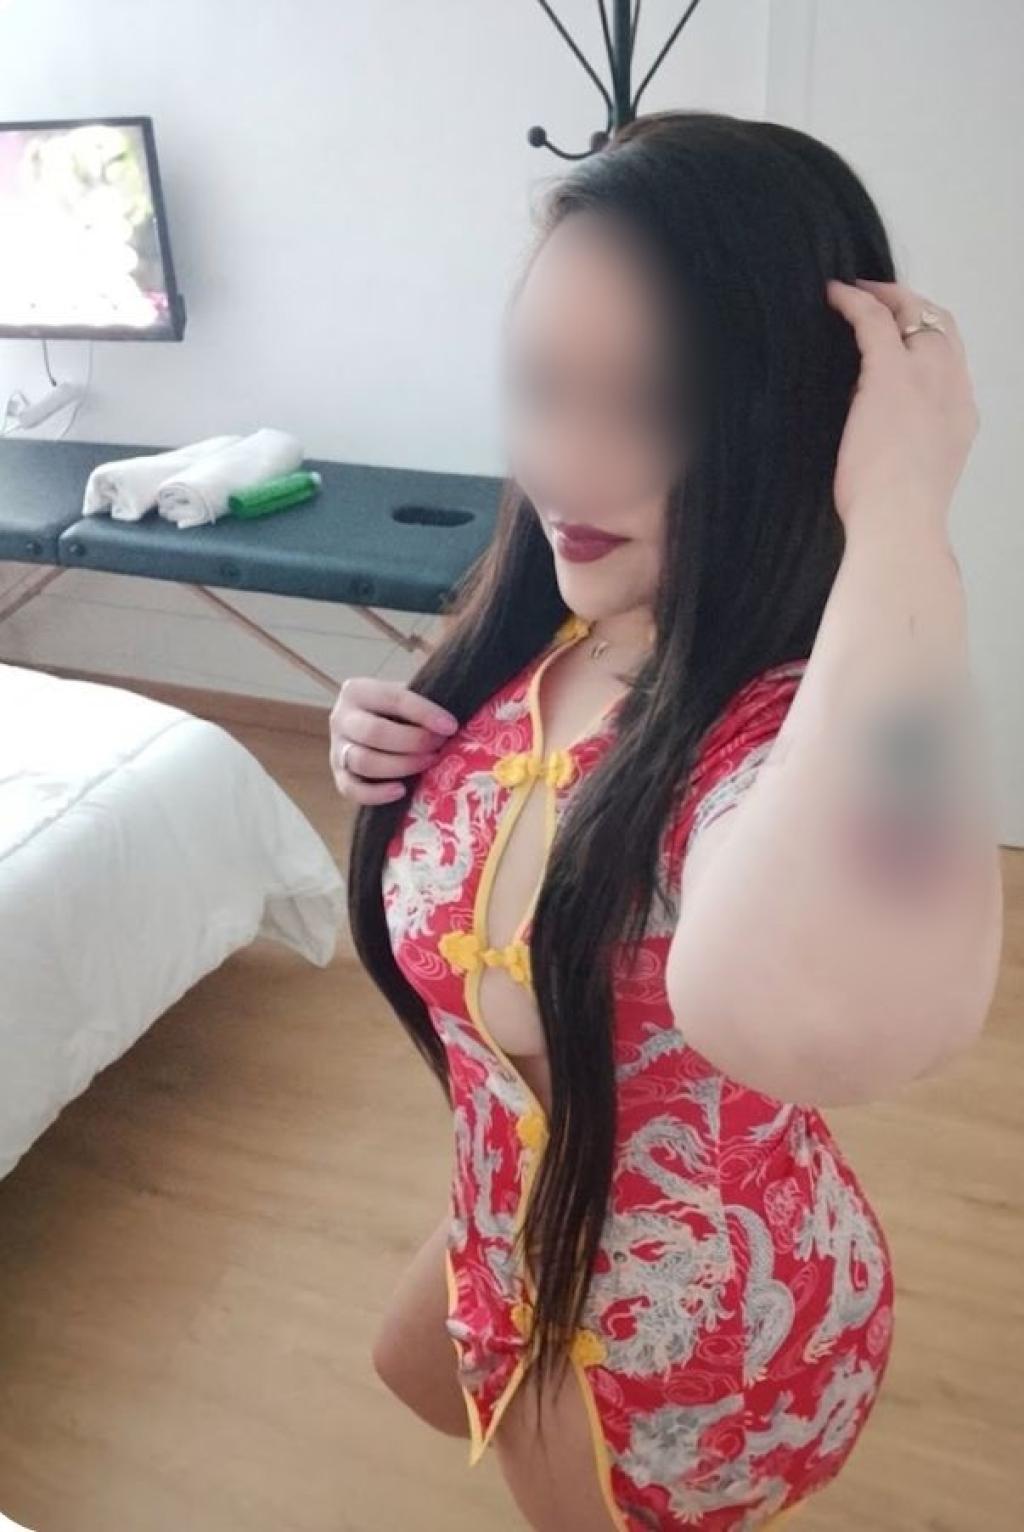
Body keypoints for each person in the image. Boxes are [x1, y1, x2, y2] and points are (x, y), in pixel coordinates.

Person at [333, 111, 1001, 1531]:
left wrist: (900, 506)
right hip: (511, 1221)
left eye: (648, 407)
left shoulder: (781, 743)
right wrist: (400, 759)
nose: (565, 464)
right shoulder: (557, 622)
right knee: (407, 1370)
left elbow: (812, 1003)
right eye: (540, 388)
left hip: (674, 1338)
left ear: (795, 423)